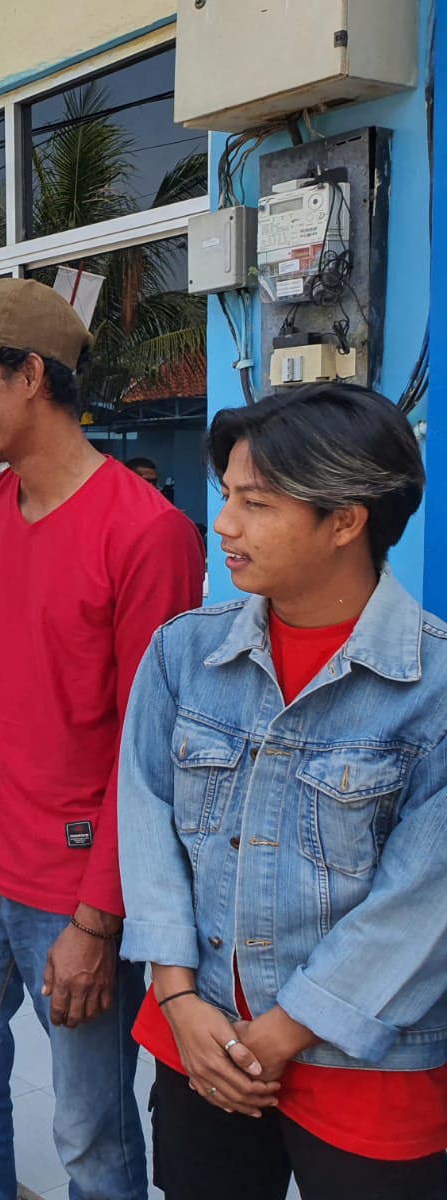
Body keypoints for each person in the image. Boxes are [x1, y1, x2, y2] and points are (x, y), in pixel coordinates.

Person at [0, 278, 204, 1200]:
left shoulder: (148, 535)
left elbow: (151, 757)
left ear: (31, 376)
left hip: (73, 891)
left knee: (90, 1132)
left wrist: (99, 920)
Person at [119, 383, 447, 1199]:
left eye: (255, 503)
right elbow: (147, 821)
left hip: (366, 1067)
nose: (223, 524)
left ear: (345, 521)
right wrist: (178, 997)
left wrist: (278, 1035)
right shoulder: (184, 655)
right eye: (227, 495)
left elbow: (422, 903)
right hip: (199, 1038)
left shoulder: (433, 687)